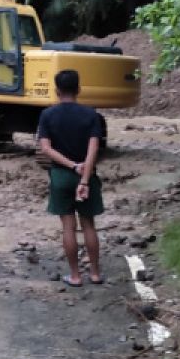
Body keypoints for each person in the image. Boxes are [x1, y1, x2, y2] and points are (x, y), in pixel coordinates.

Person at [37, 69, 104, 287]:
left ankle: (75, 276)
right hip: (86, 176)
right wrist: (84, 176)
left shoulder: (47, 115)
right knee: (89, 225)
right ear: (79, 90)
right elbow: (93, 150)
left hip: (61, 176)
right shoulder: (92, 115)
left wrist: (71, 166)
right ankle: (95, 273)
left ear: (57, 91)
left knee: (68, 227)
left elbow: (45, 148)